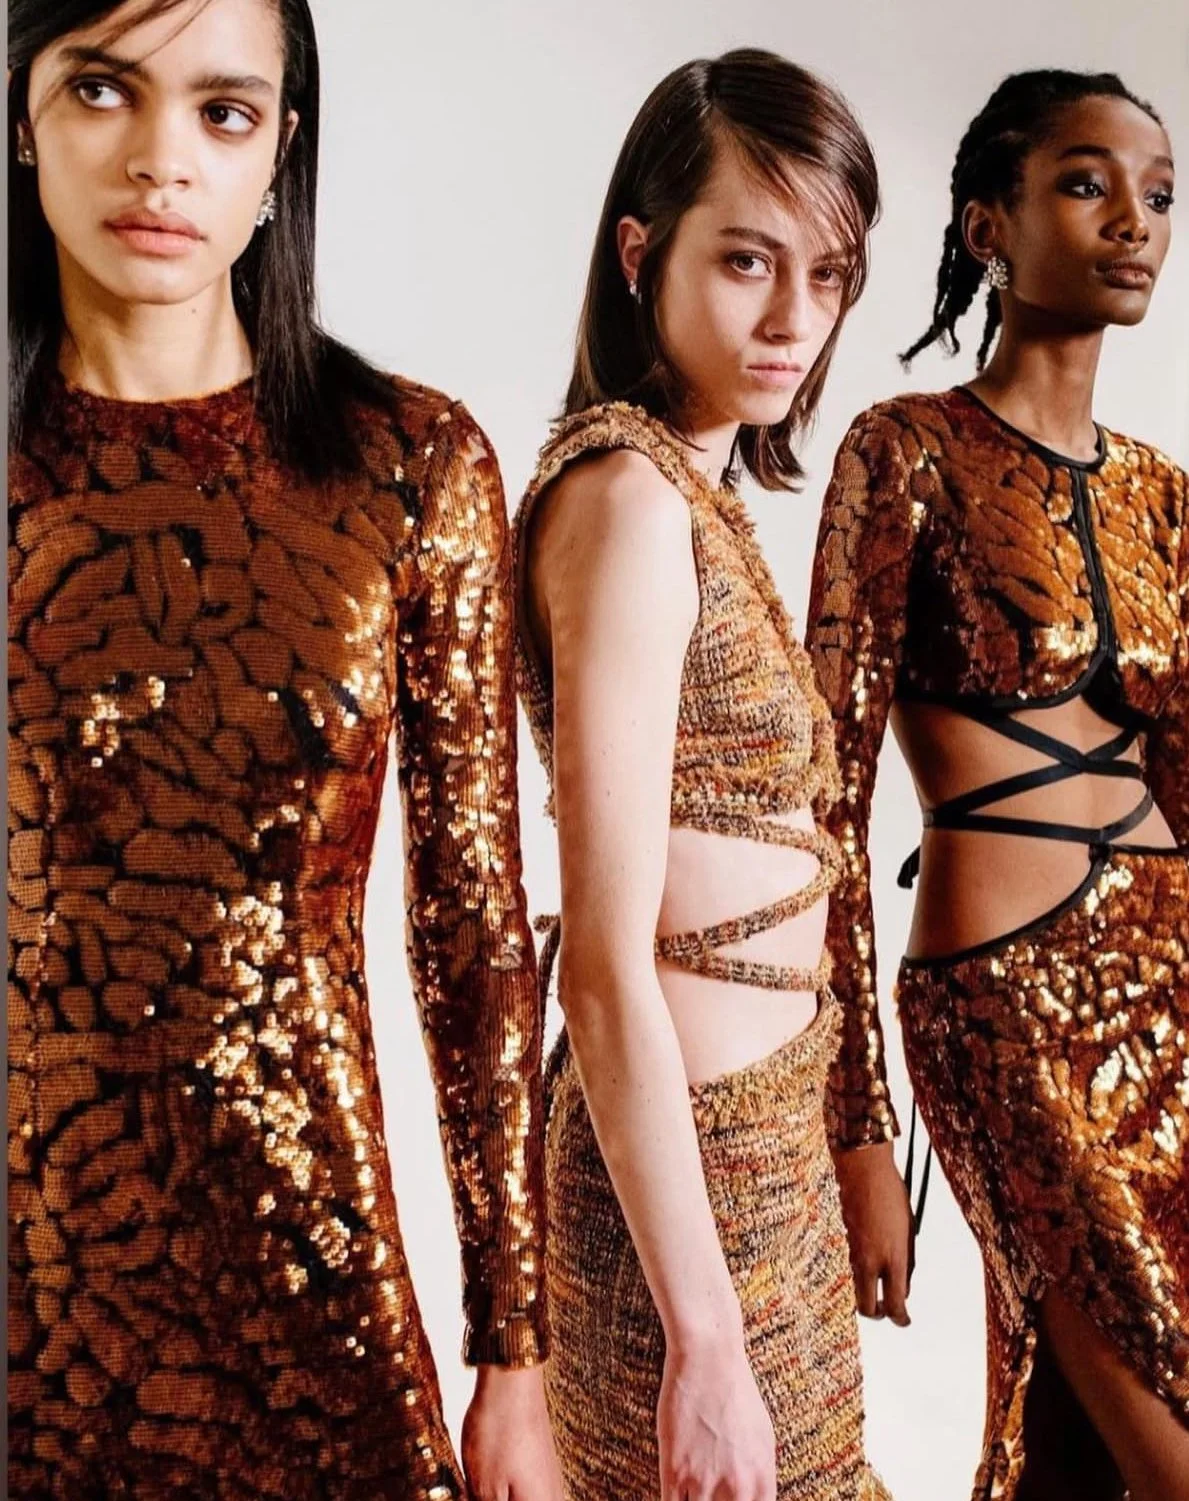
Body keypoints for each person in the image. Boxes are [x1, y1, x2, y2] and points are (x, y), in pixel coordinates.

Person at [6, 3, 562, 1497]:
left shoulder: (408, 463)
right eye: (105, 90)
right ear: (20, 115)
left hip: (311, 1262)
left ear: (282, 152)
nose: (160, 161)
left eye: (224, 113)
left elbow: (473, 926)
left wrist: (516, 1355)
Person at [512, 48, 896, 1501]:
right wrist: (705, 1341)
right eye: (748, 261)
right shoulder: (622, 500)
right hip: (679, 1212)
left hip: (763, 1167)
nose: (796, 318)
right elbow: (603, 968)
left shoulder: (693, 493)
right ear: (640, 253)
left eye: (831, 274)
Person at [806, 68, 1187, 1501]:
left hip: (1176, 998)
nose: (1133, 222)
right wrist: (855, 1130)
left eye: (1158, 194)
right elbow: (822, 809)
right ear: (988, 223)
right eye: (1086, 184)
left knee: (1073, 1453)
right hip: (1003, 1009)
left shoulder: (1168, 497)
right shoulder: (905, 453)